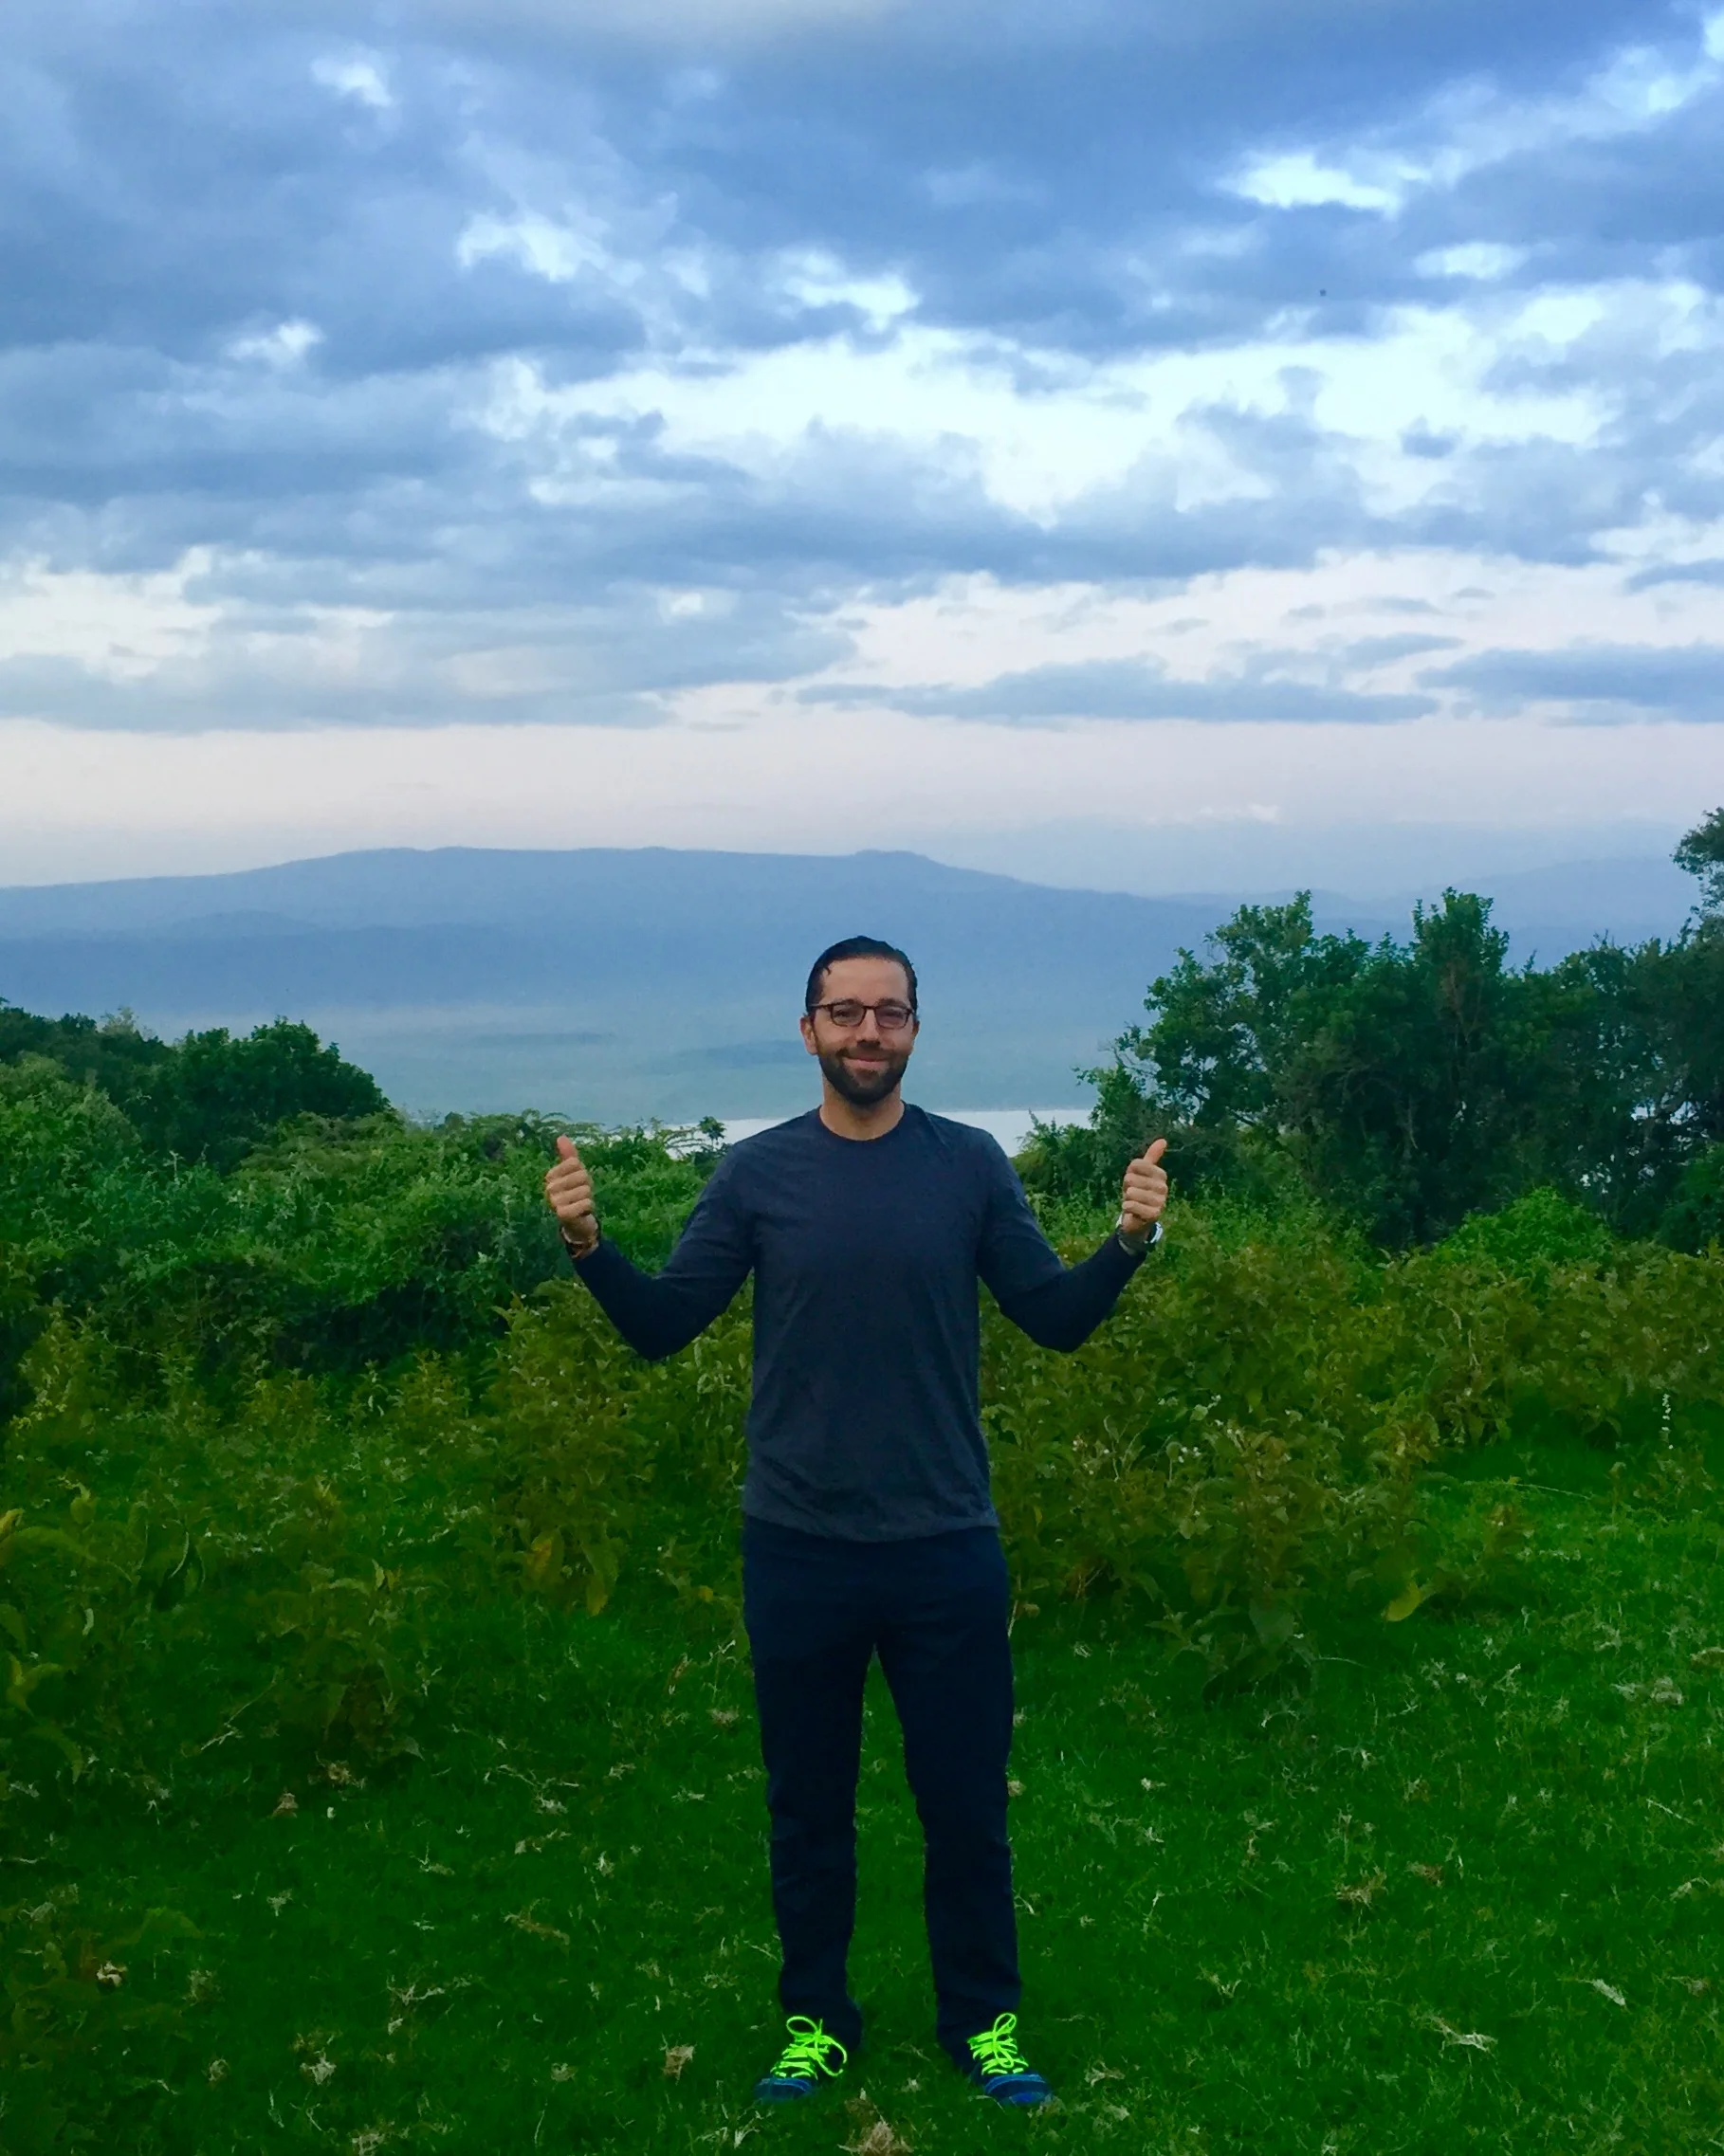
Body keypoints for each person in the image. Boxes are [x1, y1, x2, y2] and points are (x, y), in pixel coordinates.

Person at [543, 935, 1167, 2109]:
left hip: (944, 1546)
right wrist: (588, 1247)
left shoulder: (970, 1167)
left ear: (917, 1031)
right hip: (798, 1547)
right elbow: (665, 1323)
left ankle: (984, 2023)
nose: (866, 1034)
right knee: (807, 1807)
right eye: (845, 1014)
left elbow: (1055, 1318)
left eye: (888, 1014)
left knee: (967, 1808)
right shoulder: (757, 1176)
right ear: (809, 1032)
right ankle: (816, 2020)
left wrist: (1128, 1243)